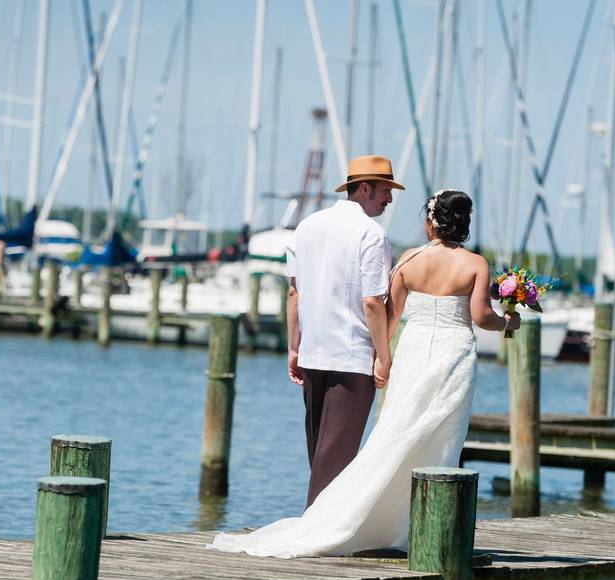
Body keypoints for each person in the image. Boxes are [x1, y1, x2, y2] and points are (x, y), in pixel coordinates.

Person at [208, 189, 520, 558]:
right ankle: (421, 526)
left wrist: (380, 358)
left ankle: (367, 516)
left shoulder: (408, 260)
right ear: (464, 223)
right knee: (443, 434)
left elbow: (388, 317)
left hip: (415, 352)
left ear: (430, 221)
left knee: (395, 430)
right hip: (453, 354)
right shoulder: (475, 265)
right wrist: (509, 321)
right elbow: (482, 317)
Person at [284, 155, 404, 508]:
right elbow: (372, 302)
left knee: (319, 456)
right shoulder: (372, 234)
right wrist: (384, 356)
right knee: (335, 460)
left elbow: (294, 293)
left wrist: (293, 348)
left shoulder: (306, 226)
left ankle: (315, 526)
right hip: (351, 357)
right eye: (385, 190)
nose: (389, 199)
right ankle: (315, 532)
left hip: (313, 353)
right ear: (365, 188)